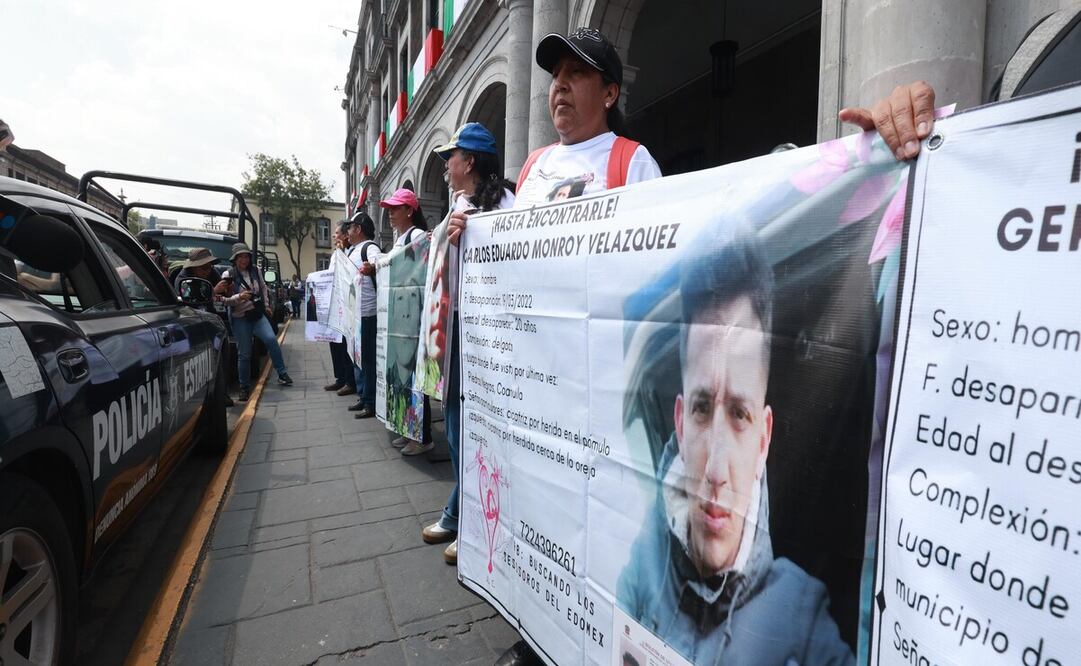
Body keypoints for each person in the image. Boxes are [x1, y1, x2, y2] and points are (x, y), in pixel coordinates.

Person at [475, 27, 662, 666]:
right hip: (536, 388)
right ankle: (535, 634)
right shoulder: (531, 168)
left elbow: (648, 276)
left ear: (608, 92)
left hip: (595, 392)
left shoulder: (630, 162)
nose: (558, 87)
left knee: (594, 526)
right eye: (555, 75)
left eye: (575, 74)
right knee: (538, 514)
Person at [616, 232, 852, 664]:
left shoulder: (803, 623)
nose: (716, 470)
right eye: (703, 409)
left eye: (739, 415)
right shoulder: (641, 557)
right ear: (680, 423)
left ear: (763, 440)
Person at [420, 122, 516, 566]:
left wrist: (482, 231)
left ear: (470, 161)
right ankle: (461, 513)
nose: (445, 166)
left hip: (489, 337)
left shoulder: (504, 204)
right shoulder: (455, 206)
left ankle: (471, 521)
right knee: (459, 430)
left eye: (450, 157)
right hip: (453, 332)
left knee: (478, 433)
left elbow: (519, 254)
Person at [380, 188, 433, 456]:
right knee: (401, 376)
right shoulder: (401, 239)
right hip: (398, 320)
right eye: (389, 208)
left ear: (410, 211)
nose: (390, 213)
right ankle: (407, 428)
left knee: (414, 376)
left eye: (396, 208)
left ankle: (422, 438)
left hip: (412, 318)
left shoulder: (418, 237)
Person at [225, 242, 292, 401]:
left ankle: (282, 373)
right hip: (240, 318)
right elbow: (224, 300)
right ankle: (244, 388)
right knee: (245, 354)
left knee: (271, 340)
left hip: (256, 314)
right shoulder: (228, 275)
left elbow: (263, 287)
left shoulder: (255, 270)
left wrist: (267, 305)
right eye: (241, 257)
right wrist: (239, 297)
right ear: (235, 259)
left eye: (246, 256)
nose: (244, 259)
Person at [345, 211, 381, 418]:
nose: (348, 232)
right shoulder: (354, 250)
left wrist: (374, 268)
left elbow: (382, 269)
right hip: (356, 315)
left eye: (350, 228)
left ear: (358, 229)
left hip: (368, 314)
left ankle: (371, 402)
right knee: (359, 357)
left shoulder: (370, 248)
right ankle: (364, 396)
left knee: (368, 360)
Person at [324, 221, 358, 397]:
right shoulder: (336, 253)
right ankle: (340, 379)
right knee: (335, 343)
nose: (334, 236)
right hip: (335, 304)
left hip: (347, 306)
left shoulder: (349, 253)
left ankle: (349, 381)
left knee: (345, 346)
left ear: (346, 235)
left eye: (337, 233)